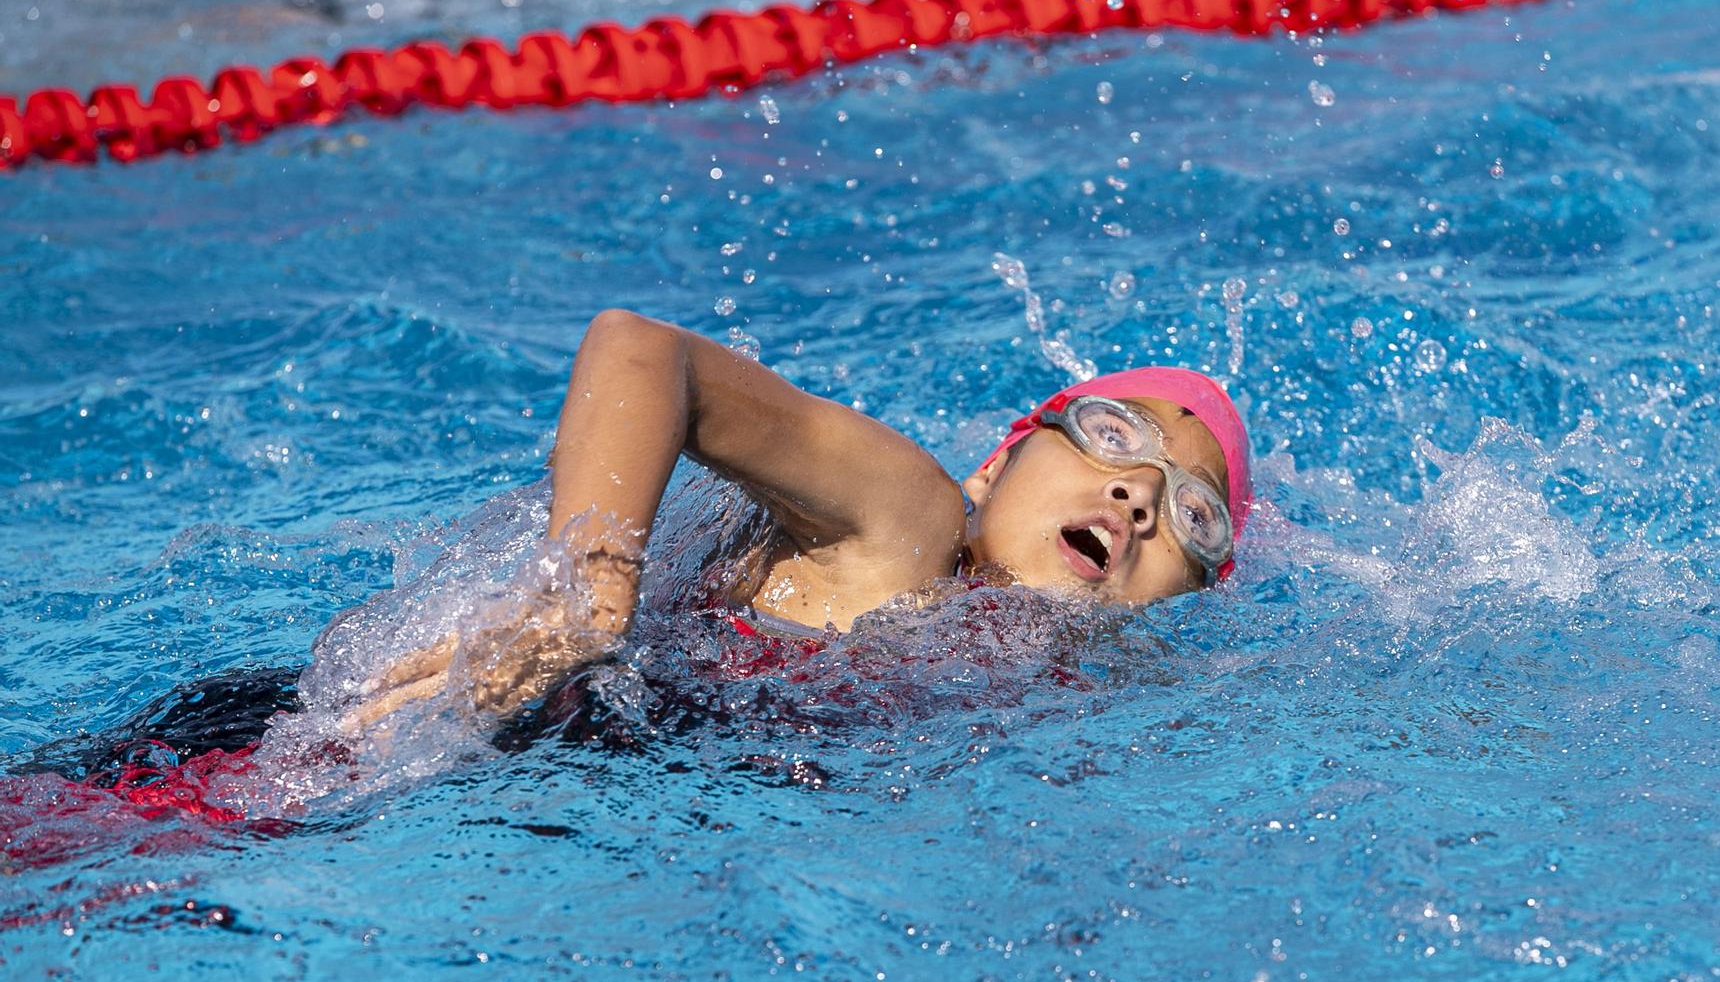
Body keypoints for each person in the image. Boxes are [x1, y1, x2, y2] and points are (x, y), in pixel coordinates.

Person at [352, 308, 1253, 726]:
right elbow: (640, 348)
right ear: (994, 467)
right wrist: (587, 594)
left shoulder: (1096, 703)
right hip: (392, 745)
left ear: (1191, 591)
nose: (1141, 495)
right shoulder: (912, 525)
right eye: (1111, 435)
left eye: (1194, 513)